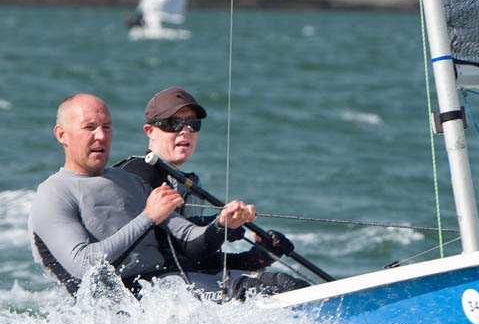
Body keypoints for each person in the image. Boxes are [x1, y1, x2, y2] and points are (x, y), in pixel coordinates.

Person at [29, 93, 273, 301]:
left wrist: (223, 223)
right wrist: (148, 217)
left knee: (279, 283)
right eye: (90, 127)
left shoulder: (129, 182)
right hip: (120, 302)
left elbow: (188, 236)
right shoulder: (53, 193)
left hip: (164, 285)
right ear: (62, 135)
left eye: (107, 127)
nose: (101, 136)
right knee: (254, 290)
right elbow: (84, 265)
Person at [114, 87, 307, 291]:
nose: (185, 130)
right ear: (150, 131)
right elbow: (183, 246)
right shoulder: (138, 174)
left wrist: (260, 255)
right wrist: (221, 226)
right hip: (145, 289)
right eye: (173, 124)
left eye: (192, 124)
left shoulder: (188, 183)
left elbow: (198, 260)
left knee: (287, 283)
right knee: (266, 287)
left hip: (181, 278)